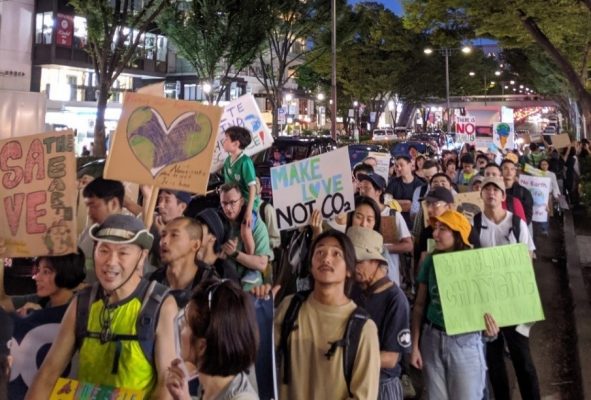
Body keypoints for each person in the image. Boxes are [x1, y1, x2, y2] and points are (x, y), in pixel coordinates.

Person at [26, 214, 177, 399]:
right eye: (104, 250)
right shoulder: (83, 302)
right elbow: (48, 374)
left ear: (142, 257)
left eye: (123, 253)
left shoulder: (159, 305)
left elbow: (166, 384)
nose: (110, 262)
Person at [274, 230, 381, 399]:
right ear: (310, 266)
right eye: (320, 252)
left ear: (349, 269)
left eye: (336, 253)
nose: (326, 259)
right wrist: (259, 309)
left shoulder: (363, 329)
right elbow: (261, 356)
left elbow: (364, 395)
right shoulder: (290, 307)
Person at [410, 210, 498, 399]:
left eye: (442, 229)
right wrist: (415, 346)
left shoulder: (477, 263)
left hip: (465, 343)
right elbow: (419, 305)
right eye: (435, 228)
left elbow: (489, 305)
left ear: (458, 234)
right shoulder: (430, 261)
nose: (435, 234)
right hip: (431, 340)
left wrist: (490, 331)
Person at [476, 177, 540, 400]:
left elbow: (527, 259)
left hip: (513, 301)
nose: (491, 193)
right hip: (487, 303)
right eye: (487, 189)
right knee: (494, 361)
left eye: (496, 190)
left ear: (503, 196)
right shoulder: (475, 223)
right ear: (481, 195)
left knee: (523, 359)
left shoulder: (517, 223)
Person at [165, 279, 259, 400]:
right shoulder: (209, 388)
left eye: (186, 323)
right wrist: (183, 397)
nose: (181, 327)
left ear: (202, 347)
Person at [347, 227, 411, 400]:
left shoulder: (396, 300)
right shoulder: (355, 289)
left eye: (358, 262)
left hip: (381, 383)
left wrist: (346, 358)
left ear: (375, 261)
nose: (353, 268)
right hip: (354, 380)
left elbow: (390, 358)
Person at [150, 217, 217, 308]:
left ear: (195, 245)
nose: (164, 241)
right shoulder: (153, 281)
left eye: (174, 235)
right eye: (163, 235)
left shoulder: (212, 288)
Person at [357, 175, 412, 286]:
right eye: (360, 188)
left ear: (378, 191)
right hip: (363, 278)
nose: (362, 192)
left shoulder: (392, 214)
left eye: (366, 188)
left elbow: (408, 245)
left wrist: (383, 249)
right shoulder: (357, 217)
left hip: (389, 276)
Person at [219, 184, 273, 291]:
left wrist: (235, 254)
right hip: (225, 286)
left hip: (250, 288)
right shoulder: (218, 222)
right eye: (224, 203)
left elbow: (262, 264)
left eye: (232, 202)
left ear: (242, 201)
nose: (228, 208)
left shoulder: (256, 225)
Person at [0, 250, 85, 315]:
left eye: (46, 272)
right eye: (39, 270)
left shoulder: (79, 310)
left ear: (65, 273)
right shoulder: (43, 299)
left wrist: (41, 316)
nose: (37, 277)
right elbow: (3, 303)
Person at [78, 178, 126, 282]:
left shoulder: (130, 239)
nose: (89, 212)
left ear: (113, 204)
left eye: (93, 206)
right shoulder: (88, 233)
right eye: (87, 206)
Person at [222, 126, 259, 229]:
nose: (223, 142)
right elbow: (227, 185)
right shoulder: (227, 161)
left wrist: (249, 211)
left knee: (245, 230)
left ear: (236, 144)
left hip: (247, 204)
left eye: (226, 139)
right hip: (234, 204)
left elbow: (252, 187)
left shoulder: (245, 162)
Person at [150, 190, 192, 268]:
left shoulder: (188, 232)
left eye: (167, 200)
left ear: (182, 207)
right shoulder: (156, 220)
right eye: (160, 199)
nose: (160, 205)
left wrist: (163, 235)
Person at [387, 155, 425, 228]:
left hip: (413, 224)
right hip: (395, 222)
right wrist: (406, 203)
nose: (399, 168)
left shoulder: (420, 185)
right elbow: (386, 201)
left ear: (410, 165)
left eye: (401, 165)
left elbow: (421, 207)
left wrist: (395, 203)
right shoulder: (393, 183)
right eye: (397, 166)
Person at [501, 157, 534, 225]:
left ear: (515, 172)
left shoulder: (524, 192)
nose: (509, 172)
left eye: (512, 169)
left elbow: (528, 216)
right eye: (506, 168)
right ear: (500, 171)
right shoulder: (496, 192)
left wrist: (518, 228)